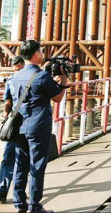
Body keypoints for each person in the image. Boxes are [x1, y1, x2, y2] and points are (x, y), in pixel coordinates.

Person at [12, 40, 68, 213]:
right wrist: (64, 78)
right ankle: (34, 206)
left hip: (19, 125)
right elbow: (57, 97)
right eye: (41, 51)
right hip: (38, 126)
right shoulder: (42, 76)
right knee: (37, 165)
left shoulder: (16, 75)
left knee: (20, 164)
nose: (43, 54)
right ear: (36, 54)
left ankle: (19, 203)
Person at [0, 56, 24, 203]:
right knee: (21, 159)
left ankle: (3, 190)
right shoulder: (37, 78)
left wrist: (6, 117)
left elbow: (7, 103)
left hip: (15, 122)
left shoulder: (11, 81)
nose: (16, 72)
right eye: (15, 70)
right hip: (27, 123)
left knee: (8, 157)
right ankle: (18, 194)